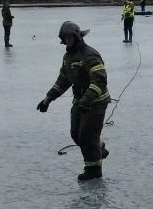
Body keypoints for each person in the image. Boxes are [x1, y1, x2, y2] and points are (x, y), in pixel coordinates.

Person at [36, 21, 110, 181]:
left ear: (77, 37)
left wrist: (87, 100)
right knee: (76, 134)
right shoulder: (68, 57)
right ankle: (99, 148)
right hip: (79, 101)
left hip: (96, 101)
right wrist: (48, 99)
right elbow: (63, 80)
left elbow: (100, 80)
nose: (67, 40)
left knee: (87, 136)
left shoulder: (89, 55)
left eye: (70, 37)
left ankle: (94, 170)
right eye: (65, 37)